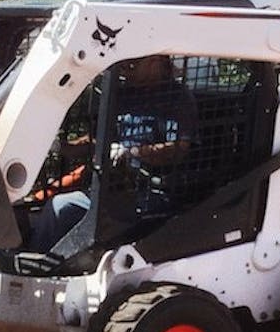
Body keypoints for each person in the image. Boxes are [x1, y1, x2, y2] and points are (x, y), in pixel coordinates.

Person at [30, 55, 197, 253]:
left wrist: (131, 153)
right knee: (48, 208)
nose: (125, 69)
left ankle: (37, 261)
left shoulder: (178, 98)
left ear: (156, 63)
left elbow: (178, 149)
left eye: (133, 64)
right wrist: (58, 146)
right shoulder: (125, 95)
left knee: (61, 207)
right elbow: (99, 141)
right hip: (114, 187)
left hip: (152, 191)